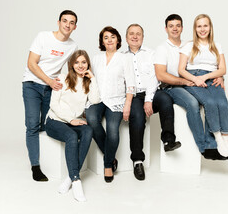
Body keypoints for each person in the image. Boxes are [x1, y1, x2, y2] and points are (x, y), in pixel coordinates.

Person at [154, 14, 228, 160]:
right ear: (166, 29)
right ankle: (204, 147)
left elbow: (208, 65)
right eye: (171, 26)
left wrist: (219, 76)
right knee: (193, 104)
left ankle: (212, 145)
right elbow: (161, 75)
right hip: (171, 87)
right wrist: (185, 81)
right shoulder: (162, 48)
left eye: (178, 26)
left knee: (209, 102)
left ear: (182, 28)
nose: (175, 29)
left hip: (191, 83)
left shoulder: (189, 45)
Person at [22, 10, 78, 181]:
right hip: (32, 85)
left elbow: (72, 69)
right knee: (32, 125)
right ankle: (35, 167)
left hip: (51, 88)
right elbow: (31, 63)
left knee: (47, 125)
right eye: (65, 21)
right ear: (58, 22)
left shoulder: (72, 46)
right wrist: (49, 81)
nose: (67, 25)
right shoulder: (43, 37)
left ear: (75, 26)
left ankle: (48, 162)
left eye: (71, 22)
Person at [124, 24, 181, 181]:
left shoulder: (151, 54)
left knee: (165, 99)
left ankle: (168, 140)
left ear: (143, 37)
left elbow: (154, 78)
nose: (135, 36)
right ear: (126, 37)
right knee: (137, 117)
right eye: (131, 34)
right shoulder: (122, 57)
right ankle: (137, 160)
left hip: (152, 92)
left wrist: (148, 99)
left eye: (138, 34)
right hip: (134, 96)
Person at [45, 50, 100, 202]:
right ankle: (76, 181)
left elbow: (95, 100)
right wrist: (70, 119)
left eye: (83, 62)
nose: (80, 65)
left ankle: (70, 178)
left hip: (72, 122)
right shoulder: (62, 79)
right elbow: (53, 105)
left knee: (88, 130)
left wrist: (93, 79)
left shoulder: (87, 82)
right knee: (72, 136)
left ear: (88, 64)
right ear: (71, 65)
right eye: (77, 62)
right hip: (55, 121)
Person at [178, 14, 228, 158]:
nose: (202, 29)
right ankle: (217, 140)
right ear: (195, 29)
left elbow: (222, 69)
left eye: (205, 25)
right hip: (193, 77)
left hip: (212, 77)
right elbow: (181, 69)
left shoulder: (216, 46)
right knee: (209, 103)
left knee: (222, 103)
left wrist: (208, 76)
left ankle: (225, 141)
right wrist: (196, 79)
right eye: (199, 26)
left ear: (210, 28)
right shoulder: (189, 46)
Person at [85, 26, 135, 182]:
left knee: (113, 130)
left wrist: (127, 104)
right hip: (98, 99)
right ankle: (111, 157)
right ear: (102, 41)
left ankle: (107, 165)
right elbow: (89, 79)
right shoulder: (96, 58)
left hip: (117, 100)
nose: (109, 40)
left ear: (118, 39)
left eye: (112, 37)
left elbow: (131, 84)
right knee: (92, 119)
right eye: (106, 37)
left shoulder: (124, 58)